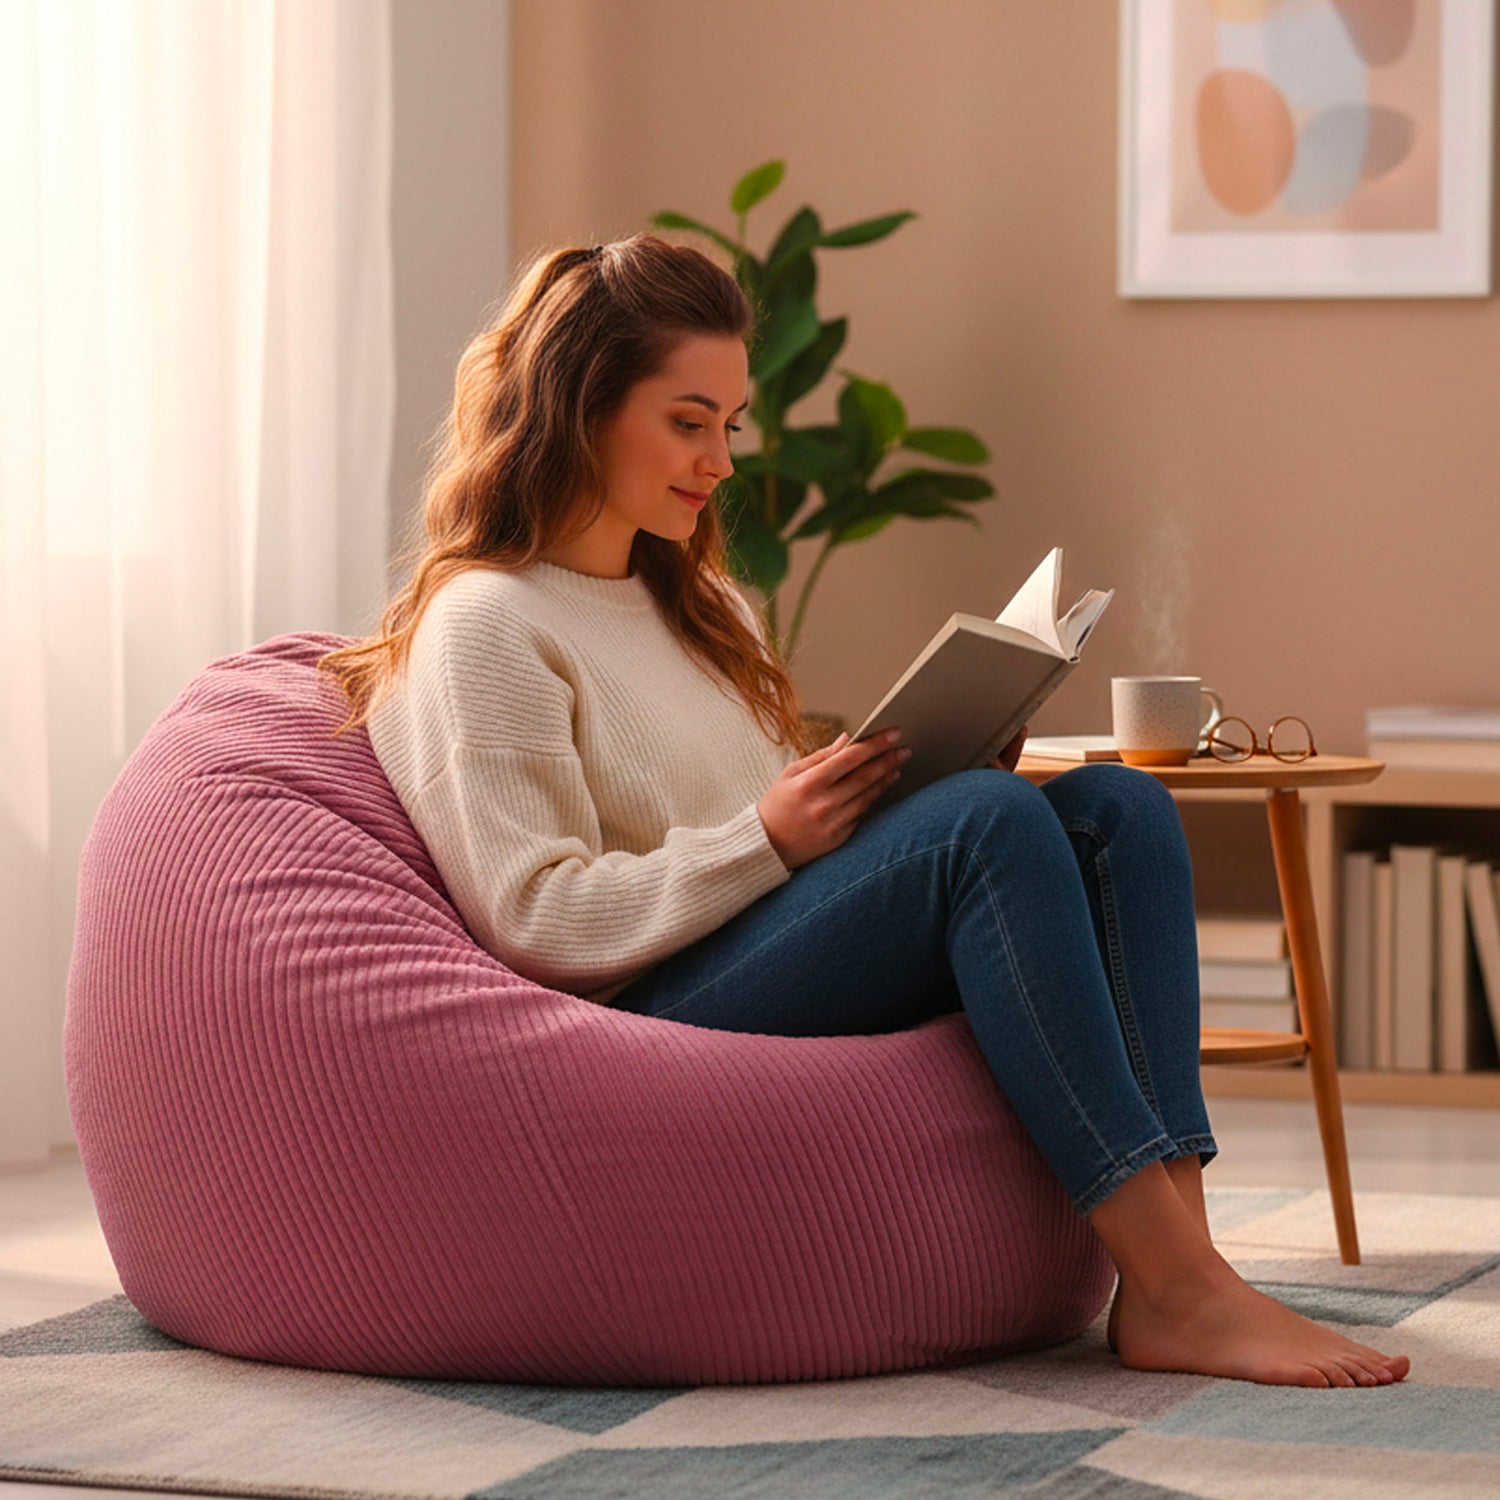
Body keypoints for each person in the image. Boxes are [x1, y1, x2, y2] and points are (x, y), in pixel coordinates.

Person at [319, 233, 1409, 1390]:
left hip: (755, 934)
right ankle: (1186, 1292)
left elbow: (763, 827)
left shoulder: (704, 605)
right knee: (990, 827)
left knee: (1117, 808)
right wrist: (770, 836)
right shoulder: (487, 623)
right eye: (688, 422)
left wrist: (905, 780)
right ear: (579, 410)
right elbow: (534, 918)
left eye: (730, 425)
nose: (720, 461)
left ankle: (1178, 1271)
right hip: (645, 1005)